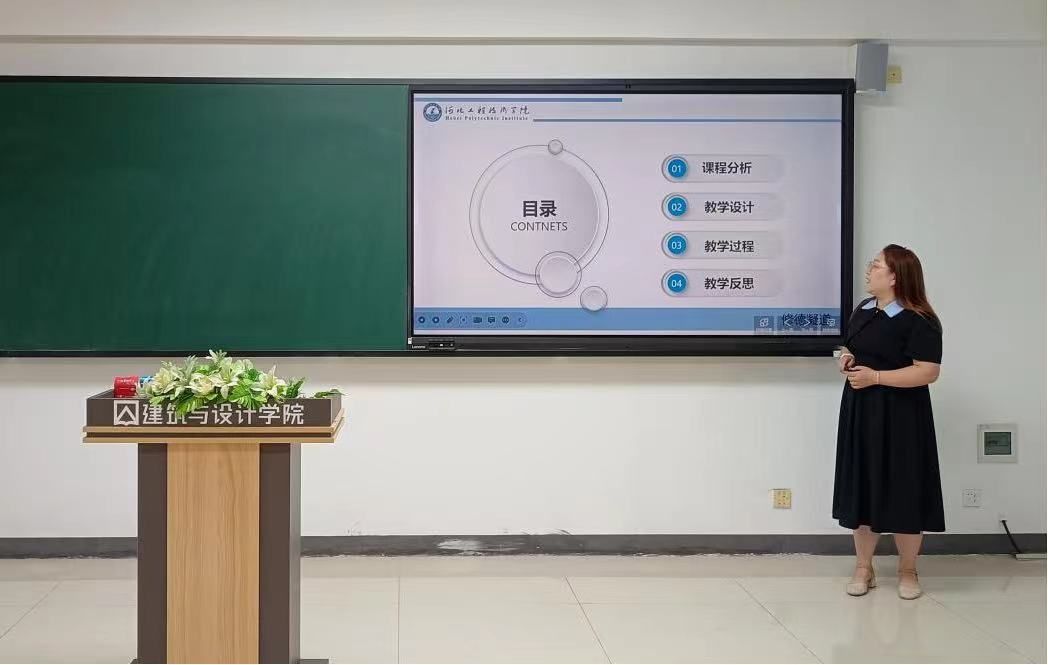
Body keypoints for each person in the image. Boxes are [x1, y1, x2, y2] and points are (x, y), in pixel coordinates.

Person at [833, 244, 944, 600]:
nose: (869, 270)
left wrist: (877, 377)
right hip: (861, 412)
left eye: (876, 265)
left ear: (895, 276)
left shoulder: (919, 319)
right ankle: (863, 567)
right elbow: (850, 347)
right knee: (862, 487)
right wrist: (846, 357)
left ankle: (908, 570)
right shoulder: (864, 309)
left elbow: (928, 371)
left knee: (904, 489)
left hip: (902, 418)